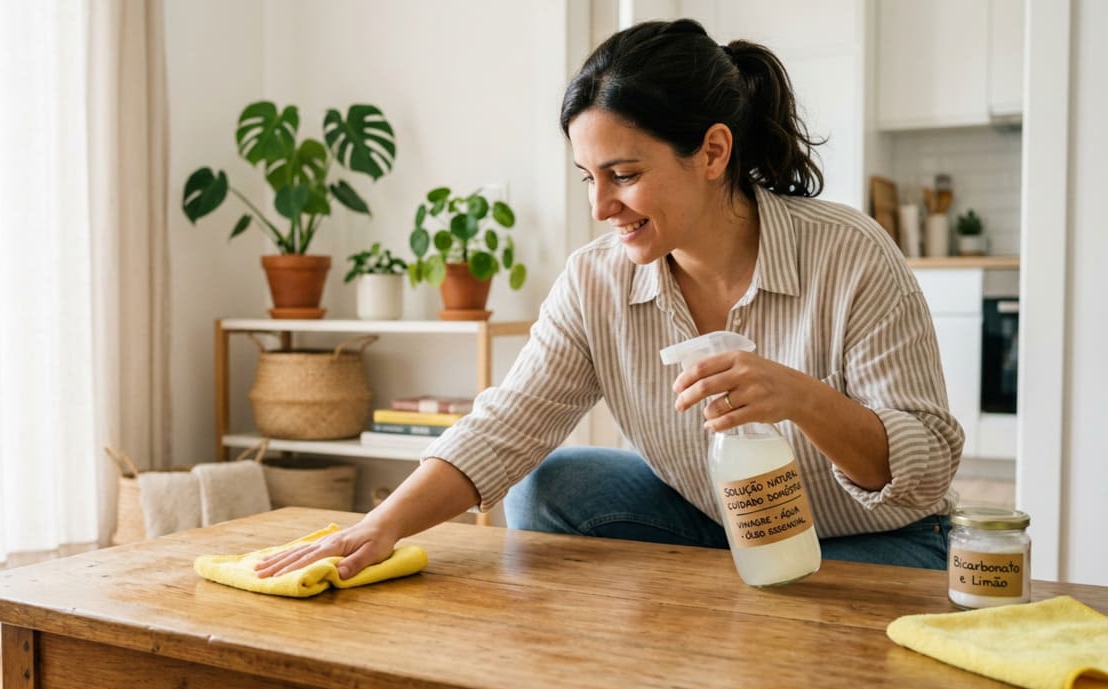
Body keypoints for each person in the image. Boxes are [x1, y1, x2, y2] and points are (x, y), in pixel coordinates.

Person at [256, 19, 963, 581]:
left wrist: (802, 398)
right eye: (587, 177)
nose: (600, 207)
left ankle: (741, 610)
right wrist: (378, 526)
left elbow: (927, 466)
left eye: (622, 175)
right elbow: (507, 426)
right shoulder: (597, 281)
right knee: (551, 485)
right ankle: (718, 606)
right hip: (714, 527)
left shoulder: (849, 253)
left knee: (799, 619)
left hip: (870, 543)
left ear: (713, 153)